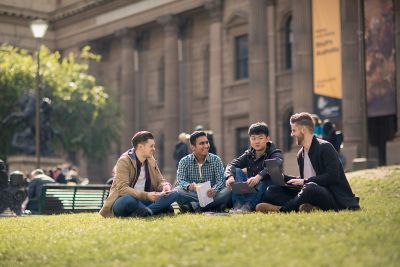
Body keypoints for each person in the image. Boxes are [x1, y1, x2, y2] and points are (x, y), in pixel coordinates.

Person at [256, 112, 360, 213]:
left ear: (303, 130)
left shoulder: (325, 147)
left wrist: (305, 182)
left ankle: (283, 209)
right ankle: (310, 207)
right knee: (272, 190)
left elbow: (332, 177)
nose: (292, 134)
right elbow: (304, 179)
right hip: (309, 191)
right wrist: (283, 178)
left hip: (332, 197)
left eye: (293, 130)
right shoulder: (301, 154)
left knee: (310, 187)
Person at [99, 131, 179, 218]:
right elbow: (123, 189)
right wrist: (146, 195)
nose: (154, 148)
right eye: (151, 146)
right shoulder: (124, 161)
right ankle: (155, 209)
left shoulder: (151, 159)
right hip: (124, 200)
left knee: (175, 193)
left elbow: (160, 180)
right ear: (141, 147)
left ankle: (146, 211)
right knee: (128, 200)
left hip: (145, 200)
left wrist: (165, 186)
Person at [225, 122, 283, 213]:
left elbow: (276, 163)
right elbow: (231, 164)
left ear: (267, 139)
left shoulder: (275, 152)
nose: (256, 141)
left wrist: (259, 176)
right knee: (236, 171)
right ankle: (238, 205)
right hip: (251, 188)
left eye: (260, 138)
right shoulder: (248, 154)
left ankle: (248, 206)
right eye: (253, 138)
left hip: (268, 190)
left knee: (265, 179)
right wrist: (230, 177)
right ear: (250, 139)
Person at [175, 131, 230, 212]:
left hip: (212, 195)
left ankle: (194, 206)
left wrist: (215, 190)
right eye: (202, 143)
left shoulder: (216, 159)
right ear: (193, 147)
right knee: (176, 191)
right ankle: (213, 206)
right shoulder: (184, 161)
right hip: (192, 193)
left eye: (207, 142)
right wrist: (189, 186)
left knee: (228, 190)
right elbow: (180, 181)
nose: (206, 145)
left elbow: (221, 180)